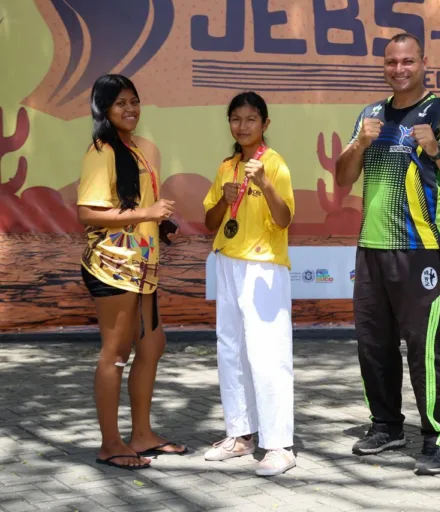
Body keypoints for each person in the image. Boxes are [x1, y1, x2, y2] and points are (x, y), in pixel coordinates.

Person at [335, 33, 440, 475]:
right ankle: (386, 425)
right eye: (392, 62)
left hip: (420, 251)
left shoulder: (439, 112)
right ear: (384, 65)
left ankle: (436, 435)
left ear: (423, 63)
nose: (399, 69)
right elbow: (342, 178)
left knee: (423, 346)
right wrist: (358, 142)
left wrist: (435, 148)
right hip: (371, 248)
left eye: (408, 61)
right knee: (373, 344)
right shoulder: (370, 114)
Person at [77, 74, 186, 470]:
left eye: (134, 101)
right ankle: (110, 443)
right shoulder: (101, 150)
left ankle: (142, 435)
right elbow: (87, 213)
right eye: (120, 102)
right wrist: (147, 213)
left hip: (141, 264)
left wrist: (160, 226)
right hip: (111, 266)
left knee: (153, 346)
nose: (130, 109)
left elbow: (136, 205)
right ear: (103, 108)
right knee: (116, 353)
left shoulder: (134, 149)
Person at [202, 92, 296, 477]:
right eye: (236, 119)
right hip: (227, 260)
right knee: (230, 350)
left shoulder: (274, 164)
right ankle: (240, 435)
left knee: (267, 353)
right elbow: (210, 222)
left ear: (265, 124)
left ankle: (279, 445)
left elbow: (285, 218)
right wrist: (223, 202)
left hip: (264, 267)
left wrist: (266, 184)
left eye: (251, 119)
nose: (242, 126)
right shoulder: (226, 166)